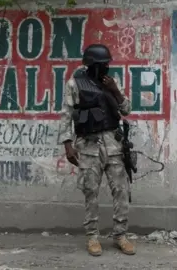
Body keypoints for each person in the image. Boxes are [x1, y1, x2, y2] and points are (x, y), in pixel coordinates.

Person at [57, 44, 135, 256]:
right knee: (90, 191)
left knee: (121, 189)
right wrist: (67, 144)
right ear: (93, 65)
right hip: (89, 144)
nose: (107, 67)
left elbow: (126, 109)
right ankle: (92, 237)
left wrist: (115, 91)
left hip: (113, 143)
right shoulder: (74, 84)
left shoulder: (112, 83)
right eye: (104, 64)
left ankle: (120, 235)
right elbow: (67, 114)